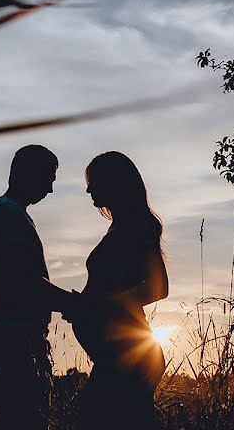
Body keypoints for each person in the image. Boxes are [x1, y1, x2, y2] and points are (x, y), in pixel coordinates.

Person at [67, 151, 169, 430]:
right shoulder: (119, 227)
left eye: (95, 182)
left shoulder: (139, 226)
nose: (88, 189)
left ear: (115, 183)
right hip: (116, 354)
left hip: (131, 355)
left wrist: (97, 306)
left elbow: (158, 288)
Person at [0, 144, 74, 430]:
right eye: (49, 179)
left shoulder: (13, 212)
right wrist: (76, 305)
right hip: (15, 335)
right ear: (28, 174)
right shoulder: (9, 214)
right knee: (27, 419)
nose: (50, 190)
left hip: (15, 332)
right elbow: (25, 283)